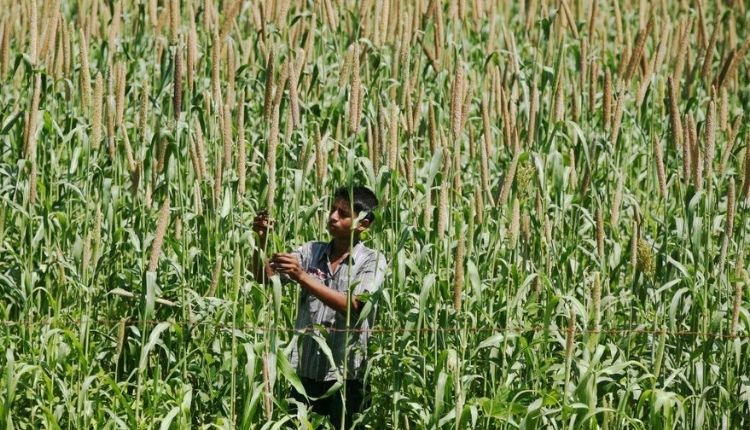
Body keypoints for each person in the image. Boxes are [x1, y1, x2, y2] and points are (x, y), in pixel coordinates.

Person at [251, 185, 387, 429]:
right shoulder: (311, 251)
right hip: (305, 372)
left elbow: (355, 305)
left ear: (364, 224)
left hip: (347, 376)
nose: (333, 216)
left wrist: (302, 277)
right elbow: (265, 277)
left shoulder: (372, 260)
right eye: (332, 209)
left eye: (343, 213)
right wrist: (262, 241)